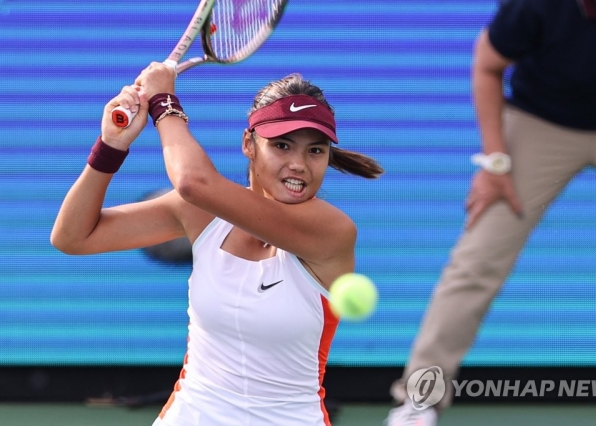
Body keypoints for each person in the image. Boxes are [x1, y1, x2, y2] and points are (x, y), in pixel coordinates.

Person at [50, 65, 383, 426]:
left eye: (315, 151)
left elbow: (193, 181)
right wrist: (112, 145)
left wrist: (164, 102)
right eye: (282, 145)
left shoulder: (331, 230)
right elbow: (72, 237)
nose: (298, 165)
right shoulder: (201, 215)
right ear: (248, 145)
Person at [385, 0, 596, 424]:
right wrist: (495, 162)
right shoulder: (535, 5)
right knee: (476, 263)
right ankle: (419, 399)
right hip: (539, 122)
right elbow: (487, 65)